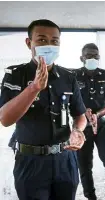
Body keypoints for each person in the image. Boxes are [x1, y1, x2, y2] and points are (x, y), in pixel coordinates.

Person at [0, 19, 87, 200]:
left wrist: (78, 130)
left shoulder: (68, 77)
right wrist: (34, 88)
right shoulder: (15, 75)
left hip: (65, 159)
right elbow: (5, 119)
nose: (49, 45)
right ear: (28, 43)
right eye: (41, 40)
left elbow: (79, 114)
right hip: (31, 162)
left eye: (54, 41)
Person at [74, 43, 105, 200]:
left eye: (95, 56)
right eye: (89, 56)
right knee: (85, 165)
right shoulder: (74, 76)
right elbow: (69, 101)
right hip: (82, 126)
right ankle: (90, 196)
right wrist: (82, 113)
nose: (92, 59)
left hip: (103, 125)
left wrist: (97, 115)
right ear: (82, 58)